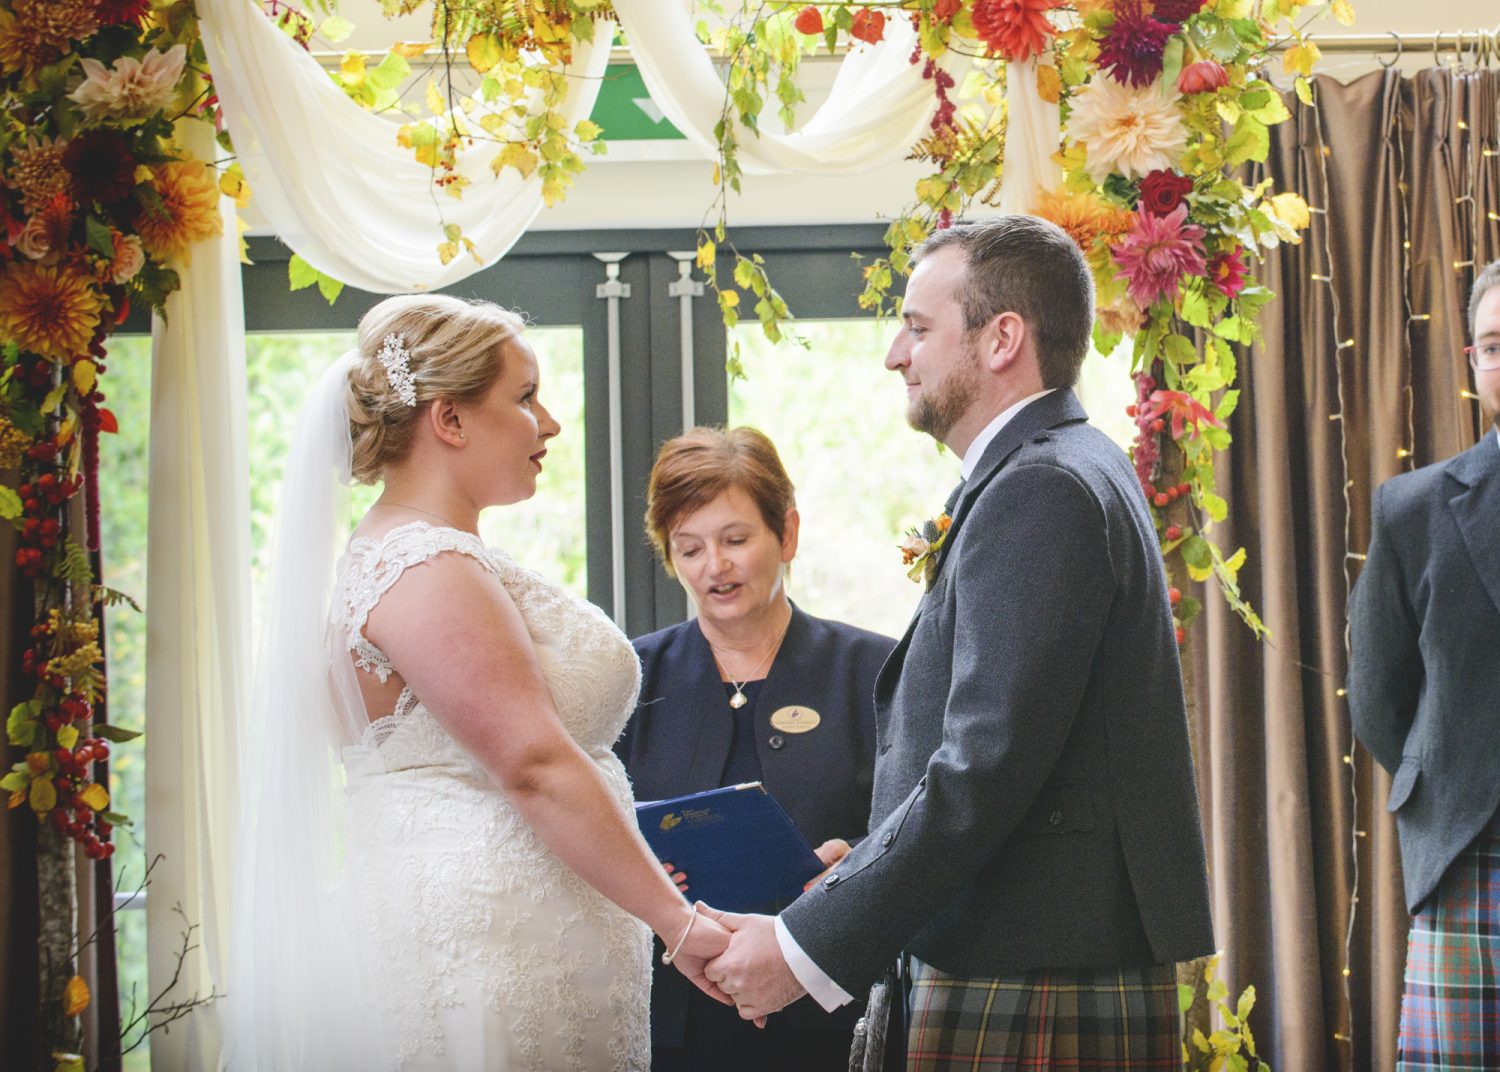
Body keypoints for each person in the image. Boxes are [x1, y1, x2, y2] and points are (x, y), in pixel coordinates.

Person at [699, 215, 1216, 1070]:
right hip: (1034, 949)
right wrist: (861, 868)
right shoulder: (1069, 463)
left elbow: (986, 765)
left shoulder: (1042, 486)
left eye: (917, 327)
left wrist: (802, 947)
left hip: (1032, 960)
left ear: (1002, 337)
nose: (897, 355)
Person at [226, 294, 731, 1070]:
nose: (551, 423)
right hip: (486, 953)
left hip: (516, 941)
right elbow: (532, 763)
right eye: (525, 397)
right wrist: (679, 923)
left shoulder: (418, 557)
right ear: (450, 421)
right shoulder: (425, 568)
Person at [616, 426, 896, 1071]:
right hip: (676, 1020)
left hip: (833, 1015)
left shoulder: (875, 670)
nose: (715, 567)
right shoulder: (631, 679)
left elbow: (914, 830)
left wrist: (851, 866)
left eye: (736, 540)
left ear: (787, 534)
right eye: (689, 549)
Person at [1348, 258, 1500, 1070]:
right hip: (1472, 857)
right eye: (1492, 345)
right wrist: (1448, 780)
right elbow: (1378, 695)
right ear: (1473, 365)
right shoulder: (1415, 509)